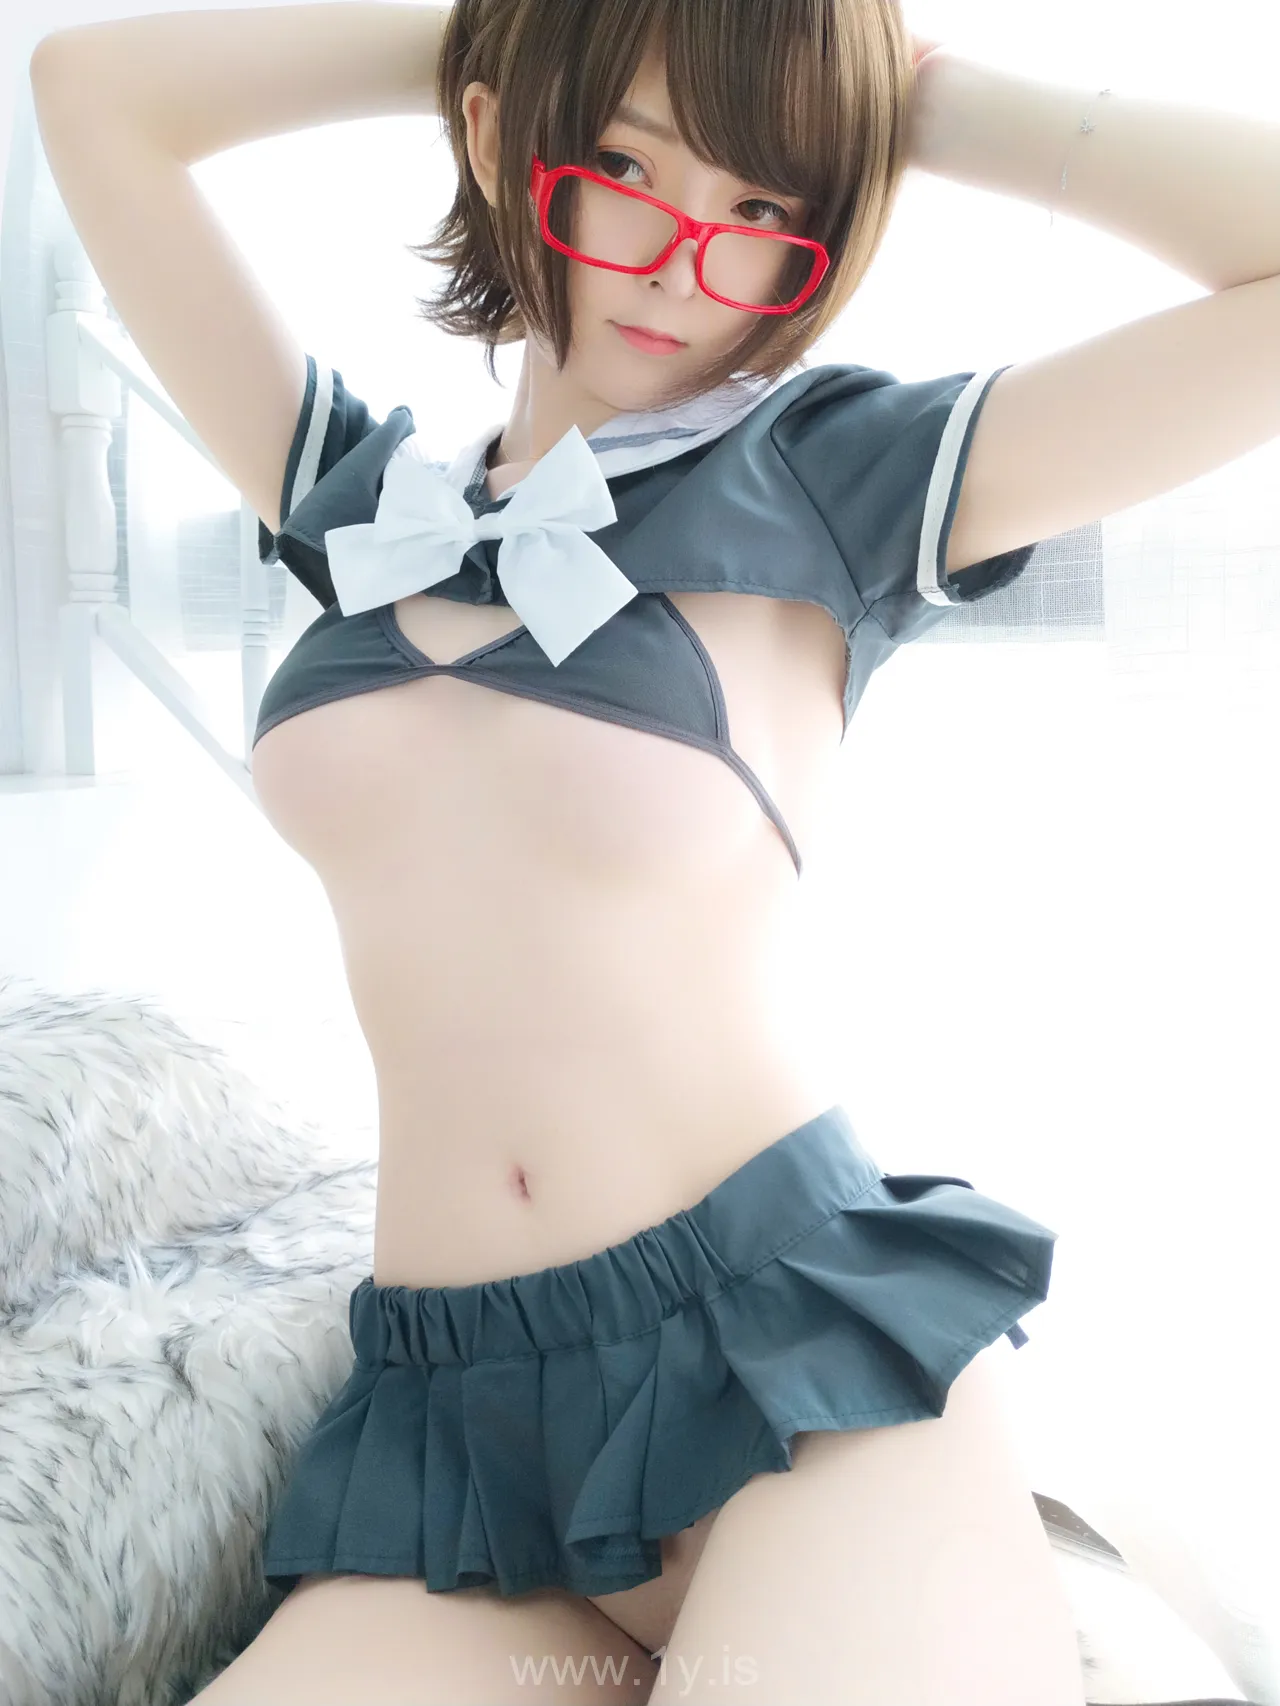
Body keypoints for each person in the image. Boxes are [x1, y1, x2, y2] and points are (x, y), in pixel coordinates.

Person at [38, 0, 1280, 1699]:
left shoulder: (835, 479)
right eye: (621, 170)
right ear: (500, 139)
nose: (686, 260)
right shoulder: (360, 499)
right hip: (459, 1433)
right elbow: (92, 93)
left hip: (790, 1382)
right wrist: (529, 34)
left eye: (764, 206)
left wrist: (916, 111)